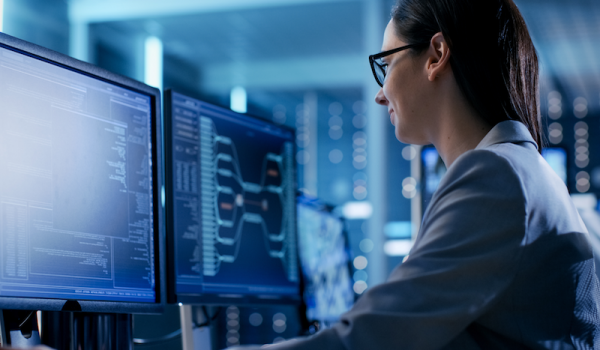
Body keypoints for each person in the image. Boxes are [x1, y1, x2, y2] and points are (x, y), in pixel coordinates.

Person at [229, 0, 600, 349]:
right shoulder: (521, 170)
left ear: (436, 55)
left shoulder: (495, 174)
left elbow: (373, 338)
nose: (380, 94)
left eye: (386, 66)